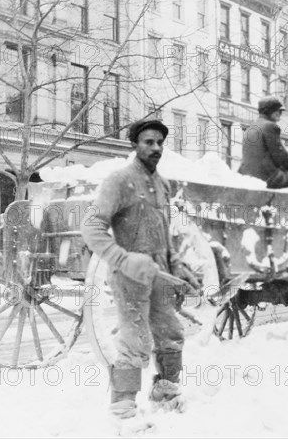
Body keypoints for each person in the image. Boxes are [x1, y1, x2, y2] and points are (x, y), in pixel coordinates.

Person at [81, 118, 199, 418]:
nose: (156, 147)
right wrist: (123, 259)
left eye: (160, 142)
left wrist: (177, 265)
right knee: (135, 339)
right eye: (149, 142)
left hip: (158, 272)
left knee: (171, 332)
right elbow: (92, 227)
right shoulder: (118, 181)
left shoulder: (162, 184)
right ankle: (123, 406)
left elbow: (164, 231)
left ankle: (165, 391)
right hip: (128, 272)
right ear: (135, 144)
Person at [238, 96, 288, 189]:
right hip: (266, 177)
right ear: (270, 111)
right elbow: (279, 157)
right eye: (279, 111)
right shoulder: (270, 126)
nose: (280, 114)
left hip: (247, 176)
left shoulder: (251, 127)